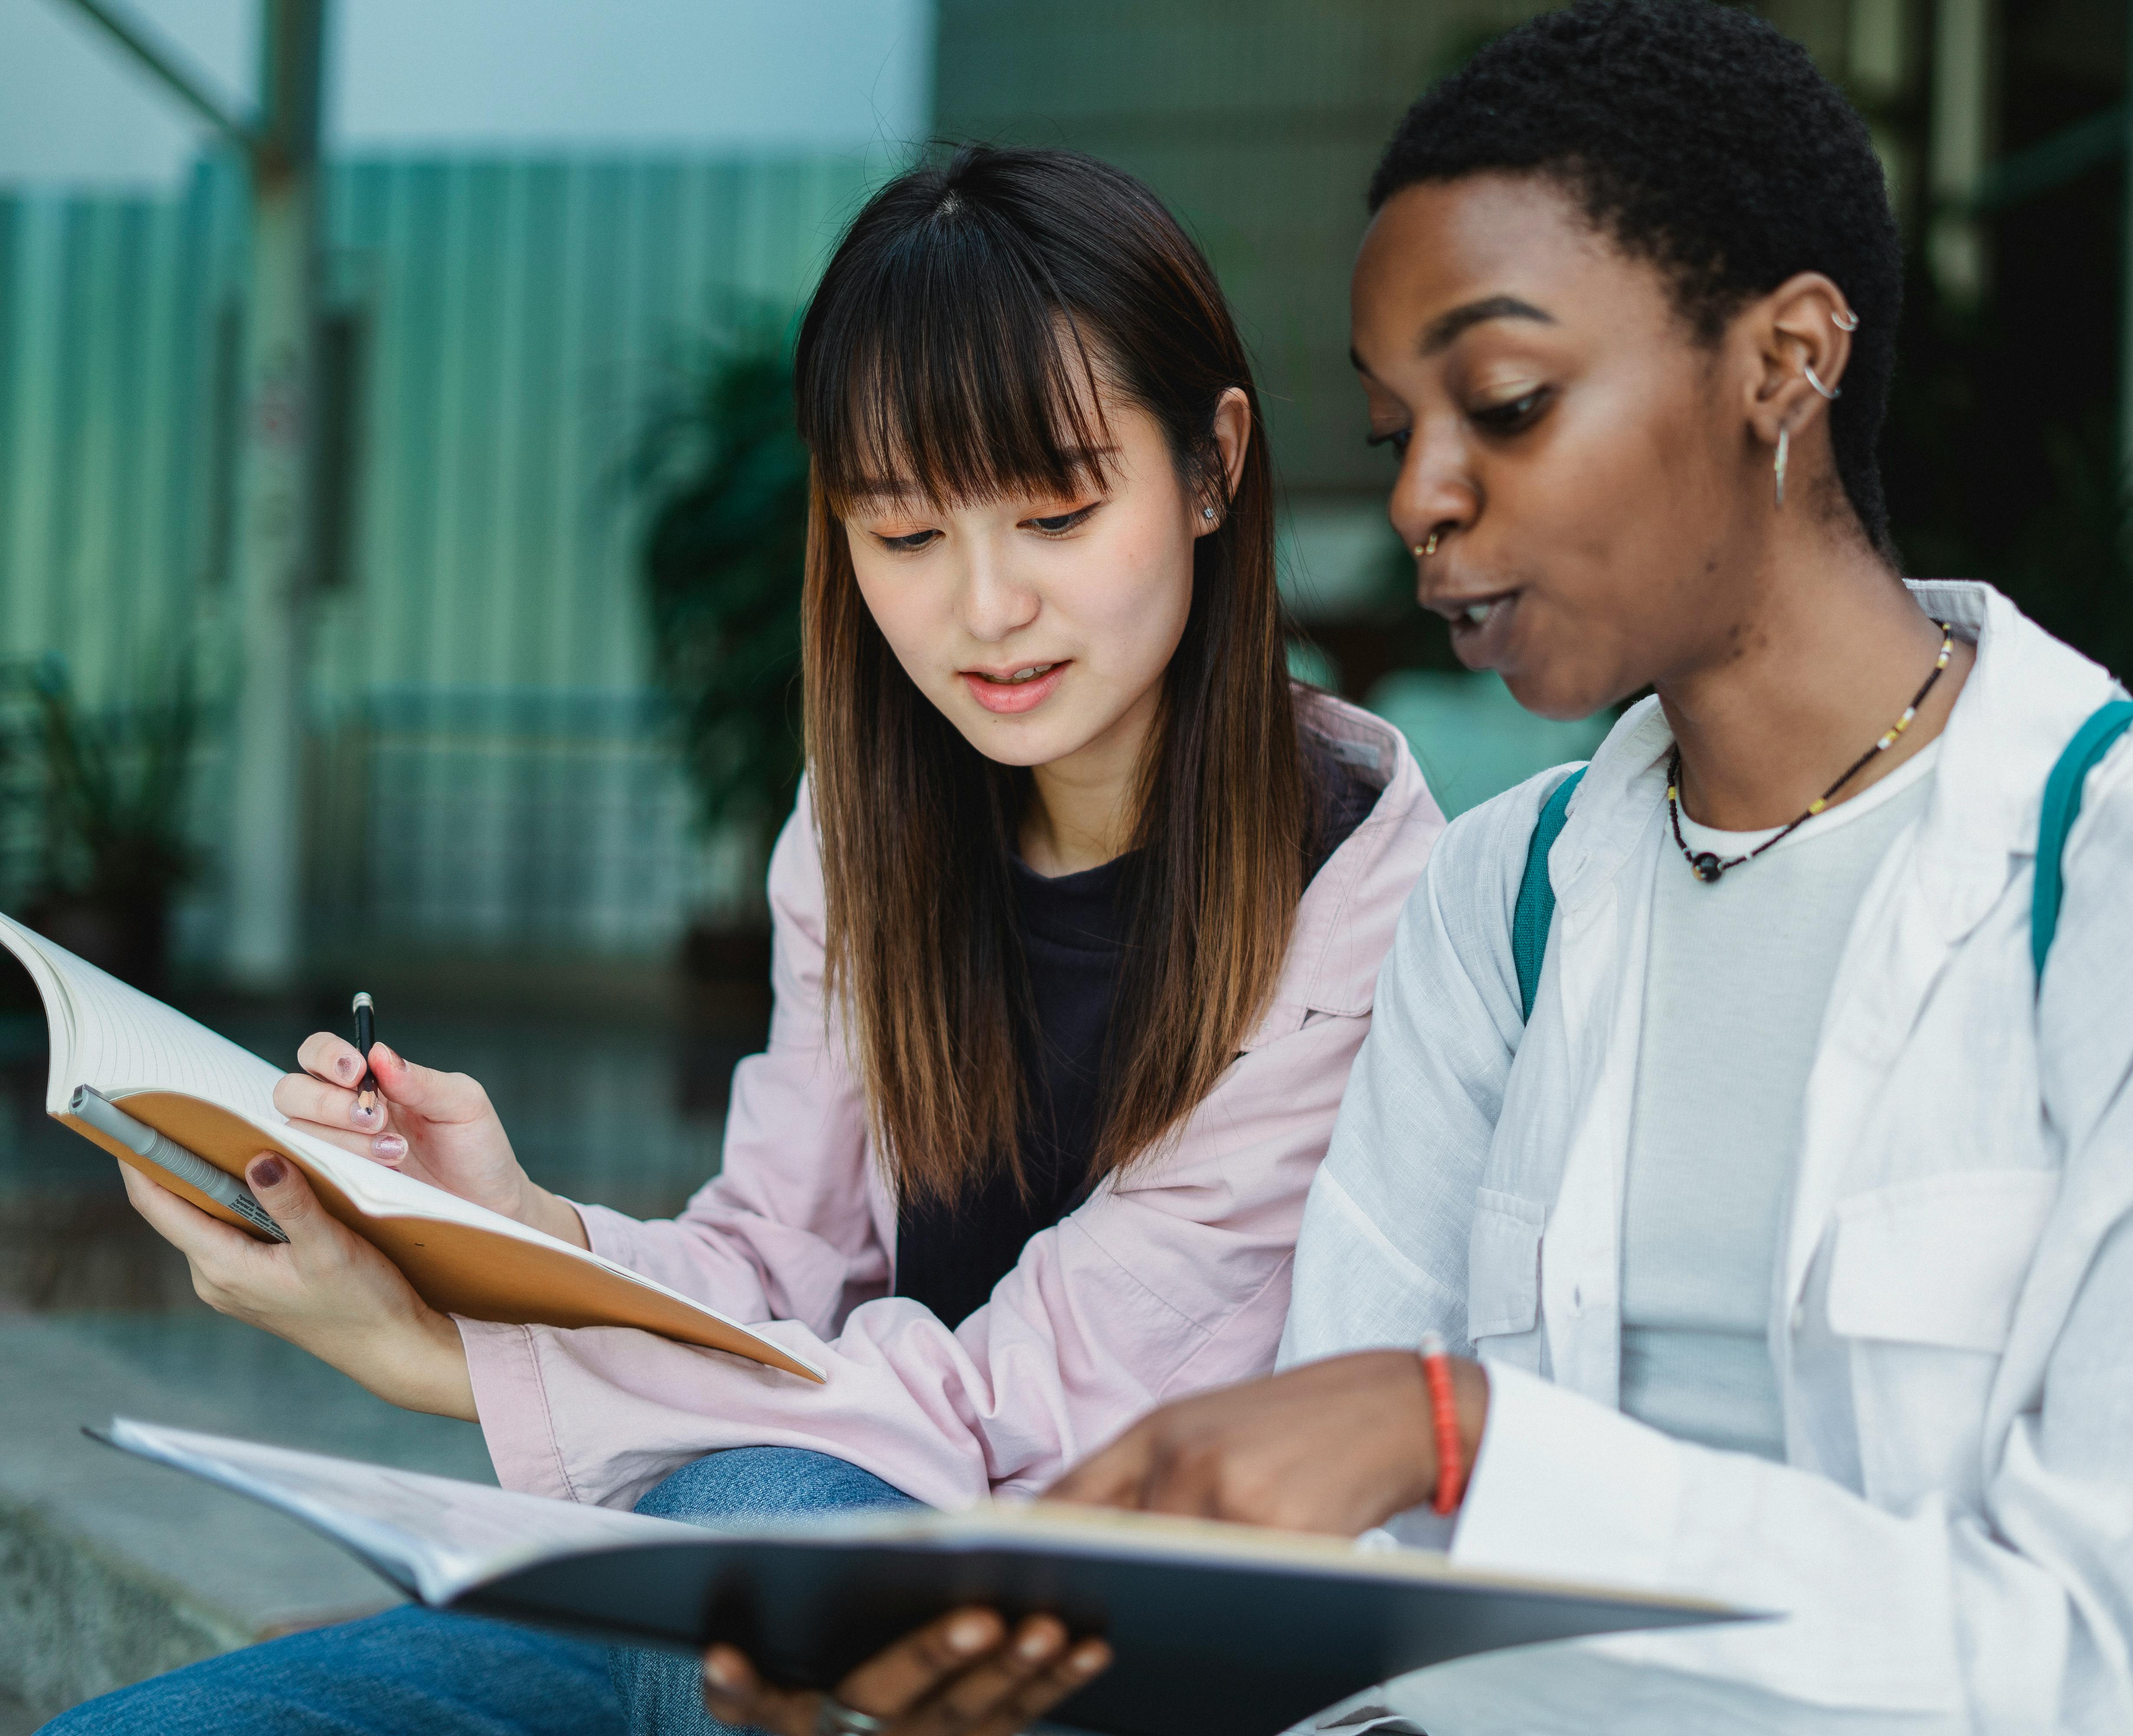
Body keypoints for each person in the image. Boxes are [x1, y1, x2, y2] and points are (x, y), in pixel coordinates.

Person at [1045, 4, 2133, 1731]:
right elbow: (1344, 1606)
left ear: (1786, 364)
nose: (1424, 501)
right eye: (1396, 435)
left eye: (1508, 404)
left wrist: (1472, 1439)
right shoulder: (1502, 907)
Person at [47, 145, 1441, 1736]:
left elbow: (1023, 1403)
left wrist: (451, 1361)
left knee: (777, 1538)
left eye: (1055, 511)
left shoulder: (1366, 890)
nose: (985, 608)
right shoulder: (866, 835)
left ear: (1211, 469)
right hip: (802, 1541)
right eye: (904, 535)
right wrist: (513, 1232)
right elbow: (775, 1266)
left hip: (1118, 1639)